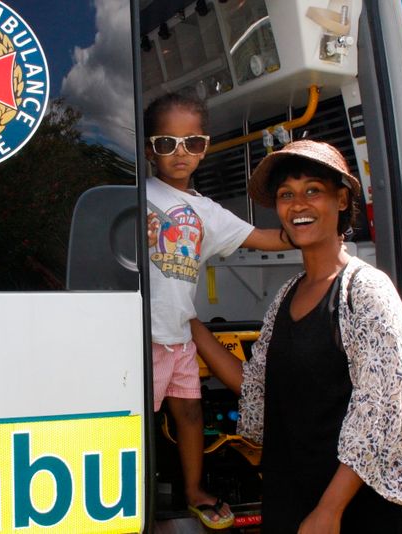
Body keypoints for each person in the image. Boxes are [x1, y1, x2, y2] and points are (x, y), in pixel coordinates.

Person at [189, 139, 402, 533]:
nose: (298, 205)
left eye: (313, 191)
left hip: (366, 511)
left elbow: (381, 412)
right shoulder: (286, 297)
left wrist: (330, 510)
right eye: (286, 195)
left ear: (342, 200)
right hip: (303, 501)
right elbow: (256, 386)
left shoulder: (364, 290)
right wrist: (187, 323)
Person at [144, 92, 291, 529]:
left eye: (192, 143)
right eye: (166, 143)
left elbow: (265, 239)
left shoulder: (206, 211)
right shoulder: (136, 193)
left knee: (190, 414)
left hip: (179, 334)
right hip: (141, 334)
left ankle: (193, 490)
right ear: (150, 149)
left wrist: (313, 225)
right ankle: (135, 493)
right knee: (141, 420)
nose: (180, 153)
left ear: (205, 147)